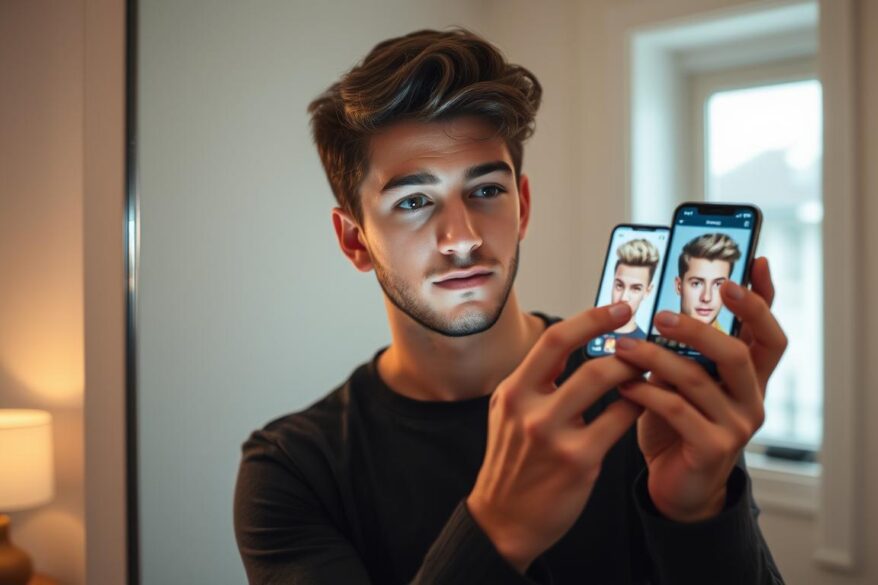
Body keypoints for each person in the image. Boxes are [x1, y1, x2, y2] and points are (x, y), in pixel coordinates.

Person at [233, 28, 788, 585]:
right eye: (414, 201)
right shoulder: (293, 471)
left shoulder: (652, 390)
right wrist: (496, 529)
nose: (463, 237)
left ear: (521, 207)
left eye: (486, 190)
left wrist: (698, 516)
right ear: (355, 241)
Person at [675, 233, 742, 332]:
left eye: (718, 284)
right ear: (678, 286)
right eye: (696, 283)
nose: (706, 297)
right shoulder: (652, 336)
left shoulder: (736, 344)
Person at [610, 238, 659, 340]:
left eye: (635, 288)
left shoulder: (646, 345)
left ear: (647, 291)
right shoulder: (586, 337)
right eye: (619, 285)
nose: (624, 298)